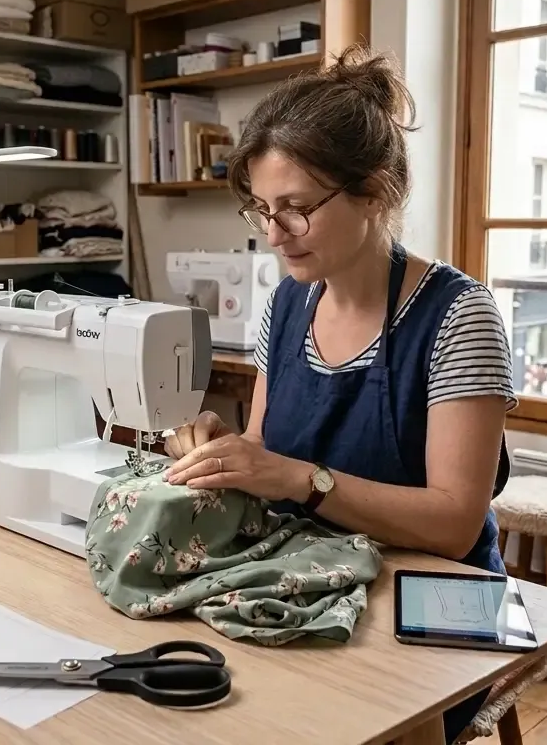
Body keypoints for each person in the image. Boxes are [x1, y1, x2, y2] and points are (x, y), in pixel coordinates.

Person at [163, 45, 518, 742]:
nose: (272, 234)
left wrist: (298, 479)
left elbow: (452, 523)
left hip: (440, 598)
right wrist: (229, 450)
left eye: (295, 209)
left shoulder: (457, 316)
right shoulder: (287, 308)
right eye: (261, 209)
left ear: (375, 193)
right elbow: (268, 447)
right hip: (319, 571)